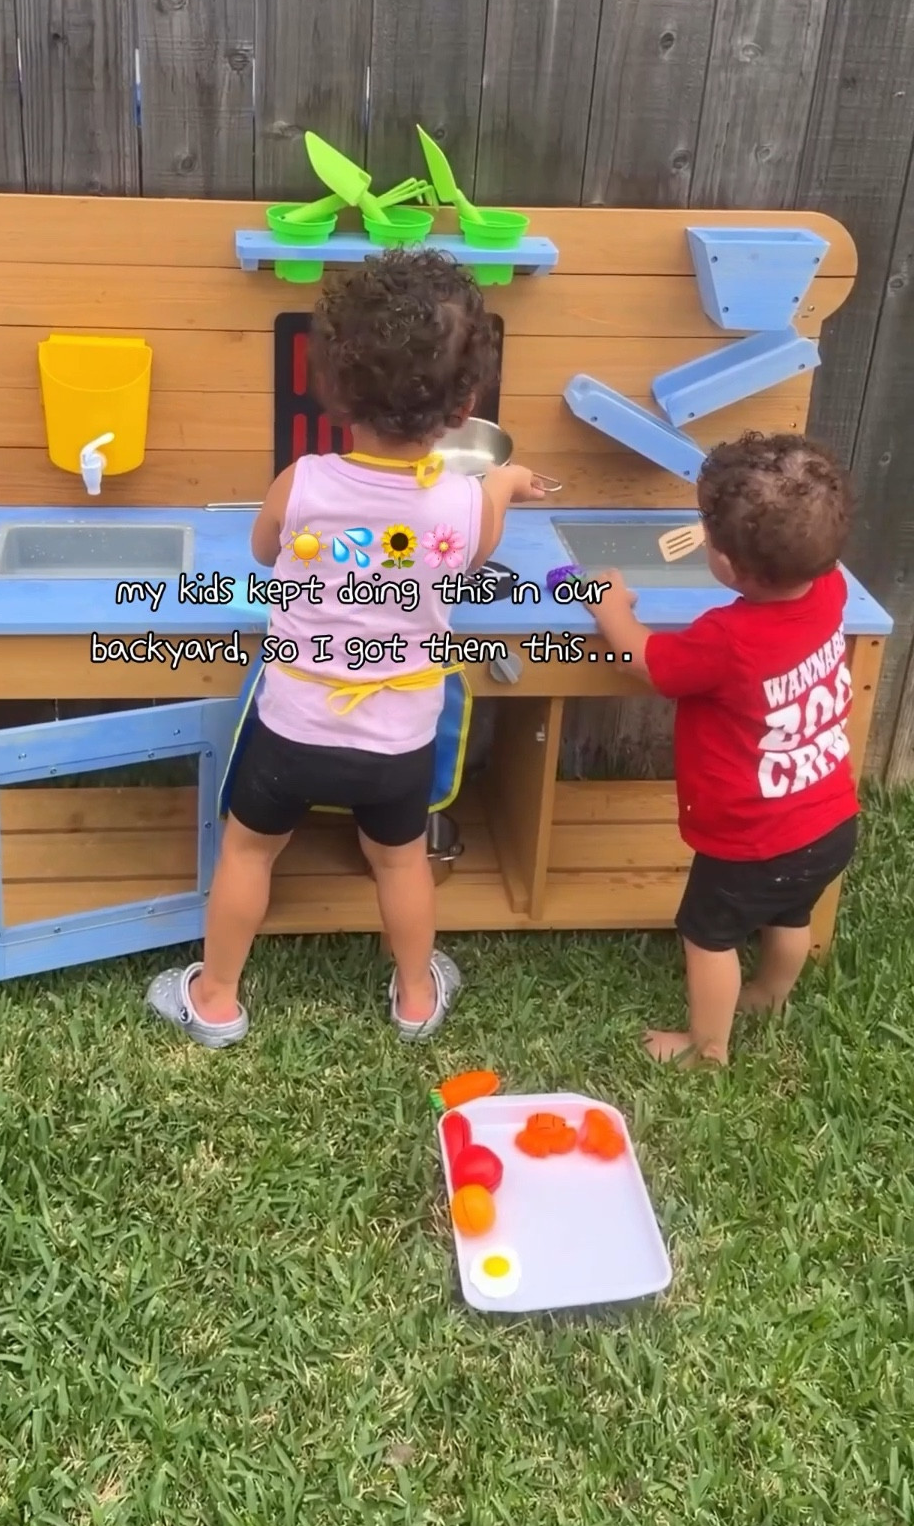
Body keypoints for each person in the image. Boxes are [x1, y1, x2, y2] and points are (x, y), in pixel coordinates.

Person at [147, 250, 544, 1047]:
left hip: (292, 727)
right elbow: (483, 533)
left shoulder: (302, 483)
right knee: (400, 864)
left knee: (250, 853)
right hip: (398, 741)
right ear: (466, 404)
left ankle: (217, 996)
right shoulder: (463, 504)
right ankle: (415, 998)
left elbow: (263, 552)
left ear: (333, 388)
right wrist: (507, 483)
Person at [584, 432, 859, 1066]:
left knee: (707, 937)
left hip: (750, 840)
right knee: (791, 916)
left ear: (730, 568)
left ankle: (706, 1047)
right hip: (828, 821)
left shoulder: (725, 640)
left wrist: (612, 609)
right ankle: (770, 994)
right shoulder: (831, 592)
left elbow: (648, 662)